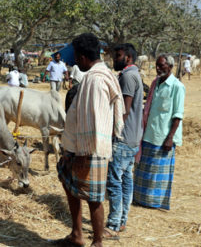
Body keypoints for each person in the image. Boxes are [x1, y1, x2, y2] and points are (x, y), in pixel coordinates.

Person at [56, 33, 124, 247]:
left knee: (94, 198)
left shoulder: (95, 80)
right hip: (78, 147)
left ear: (83, 57)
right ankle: (76, 234)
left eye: (76, 56)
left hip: (89, 149)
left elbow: (93, 118)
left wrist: (83, 154)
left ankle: (97, 242)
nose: (75, 61)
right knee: (67, 181)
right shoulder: (102, 74)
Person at [133, 54, 185, 210]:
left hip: (163, 137)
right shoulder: (155, 83)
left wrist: (170, 138)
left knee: (158, 173)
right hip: (148, 133)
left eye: (161, 65)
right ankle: (140, 199)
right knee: (144, 169)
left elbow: (178, 115)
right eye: (157, 65)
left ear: (170, 67)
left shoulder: (177, 86)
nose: (158, 68)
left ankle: (154, 202)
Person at [104, 43, 144, 239]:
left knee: (114, 181)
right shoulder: (135, 74)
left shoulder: (127, 76)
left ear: (128, 57)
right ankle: (122, 220)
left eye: (118, 56)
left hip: (124, 137)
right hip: (134, 137)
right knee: (126, 179)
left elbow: (125, 110)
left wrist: (114, 133)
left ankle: (113, 223)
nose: (115, 59)